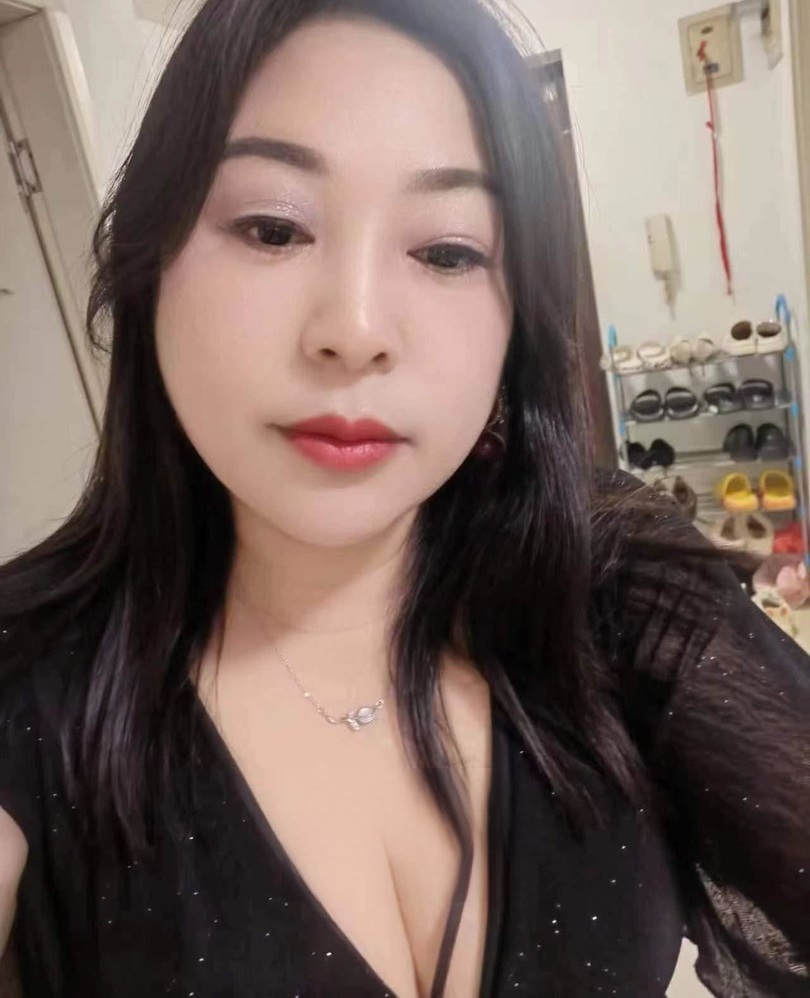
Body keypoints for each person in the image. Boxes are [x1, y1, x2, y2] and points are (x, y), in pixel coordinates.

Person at [0, 0, 808, 995]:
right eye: (272, 227)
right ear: (148, 264)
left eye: (448, 251)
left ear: (516, 318)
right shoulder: (27, 686)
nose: (355, 329)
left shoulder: (617, 581)